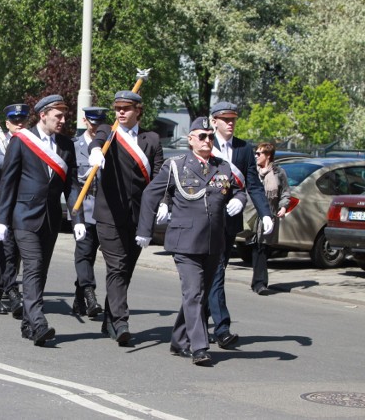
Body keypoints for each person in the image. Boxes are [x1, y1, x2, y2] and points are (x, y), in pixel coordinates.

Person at [137, 117, 246, 365]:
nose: (207, 141)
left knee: (200, 294)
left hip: (213, 242)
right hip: (185, 242)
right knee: (194, 293)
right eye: (202, 136)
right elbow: (150, 194)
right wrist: (144, 229)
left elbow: (238, 189)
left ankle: (178, 339)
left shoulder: (223, 167)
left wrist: (240, 199)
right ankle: (199, 347)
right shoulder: (176, 166)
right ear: (191, 139)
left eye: (210, 136)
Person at [0, 94, 86, 346]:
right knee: (33, 266)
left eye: (65, 115)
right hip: (23, 217)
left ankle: (27, 325)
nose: (63, 120)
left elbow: (72, 185)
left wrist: (77, 219)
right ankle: (38, 321)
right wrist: (1, 219)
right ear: (43, 115)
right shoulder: (21, 141)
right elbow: (8, 183)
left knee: (41, 270)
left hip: (51, 219)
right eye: (58, 116)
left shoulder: (66, 145)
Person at [87, 90, 164, 346]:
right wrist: (96, 151)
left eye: (126, 108)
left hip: (139, 217)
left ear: (138, 110)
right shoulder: (109, 132)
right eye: (117, 107)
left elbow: (161, 175)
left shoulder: (151, 139)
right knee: (117, 267)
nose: (121, 112)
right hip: (109, 214)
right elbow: (96, 140)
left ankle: (109, 319)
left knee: (126, 271)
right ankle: (121, 321)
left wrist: (164, 202)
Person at [207, 101, 273, 348]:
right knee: (211, 273)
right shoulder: (204, 142)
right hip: (204, 220)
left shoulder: (244, 148)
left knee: (215, 272)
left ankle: (203, 322)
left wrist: (265, 213)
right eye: (225, 119)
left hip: (228, 221)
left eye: (233, 118)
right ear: (215, 121)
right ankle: (220, 327)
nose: (231, 123)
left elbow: (253, 184)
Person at [0, 103, 28, 317]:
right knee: (6, 250)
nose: (19, 124)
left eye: (23, 121)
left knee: (15, 253)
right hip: (0, 202)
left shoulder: (31, 141)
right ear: (7, 123)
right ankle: (11, 292)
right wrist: (21, 159)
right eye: (15, 121)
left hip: (22, 203)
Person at [71, 107, 108, 318]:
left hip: (103, 208)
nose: (96, 128)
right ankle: (89, 294)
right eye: (93, 124)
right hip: (82, 206)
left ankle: (78, 300)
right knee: (83, 253)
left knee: (91, 255)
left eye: (100, 124)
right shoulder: (75, 146)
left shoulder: (108, 146)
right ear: (85, 121)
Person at [250, 143, 290, 295]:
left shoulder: (279, 172)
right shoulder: (253, 172)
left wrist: (283, 206)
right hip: (253, 215)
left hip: (270, 215)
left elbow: (285, 192)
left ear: (268, 155)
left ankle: (259, 283)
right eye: (256, 153)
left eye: (259, 153)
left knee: (262, 248)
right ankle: (258, 282)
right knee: (256, 247)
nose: (256, 156)